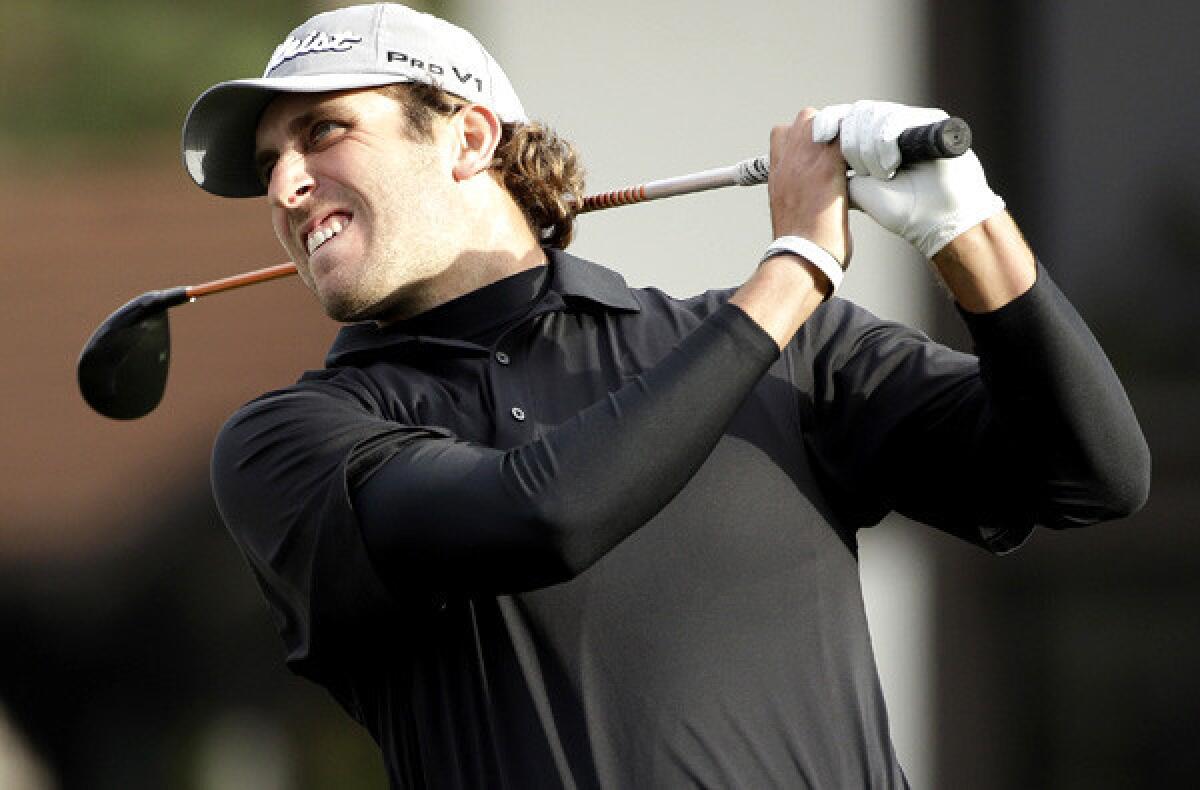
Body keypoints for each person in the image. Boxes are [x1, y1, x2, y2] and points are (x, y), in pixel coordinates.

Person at [184, 3, 1149, 787]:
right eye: (271, 163)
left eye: (323, 132)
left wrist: (968, 227)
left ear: (469, 136)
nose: (287, 185)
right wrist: (796, 265)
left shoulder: (784, 352)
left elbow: (1092, 474)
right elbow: (545, 515)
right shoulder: (292, 440)